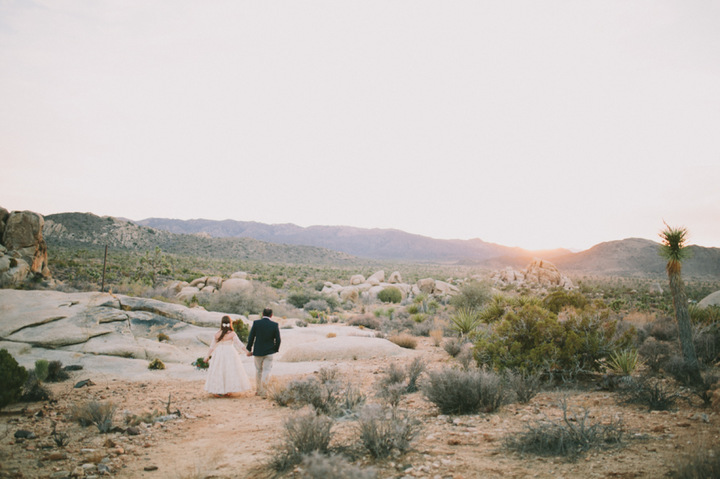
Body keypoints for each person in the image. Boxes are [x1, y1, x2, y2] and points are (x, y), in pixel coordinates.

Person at [204, 316, 252, 397]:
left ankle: (219, 391)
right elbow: (239, 344)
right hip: (230, 352)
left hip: (219, 353)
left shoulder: (217, 334)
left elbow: (212, 347)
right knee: (229, 371)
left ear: (221, 323)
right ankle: (227, 390)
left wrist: (207, 356)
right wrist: (247, 352)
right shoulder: (232, 334)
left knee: (219, 371)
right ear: (230, 323)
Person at [246, 308, 281, 396]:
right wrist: (275, 349)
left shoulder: (256, 323)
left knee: (258, 371)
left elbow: (251, 337)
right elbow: (278, 339)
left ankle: (259, 390)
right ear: (271, 315)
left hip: (258, 351)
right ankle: (265, 391)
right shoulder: (274, 325)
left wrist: (249, 349)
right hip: (269, 351)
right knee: (267, 370)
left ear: (262, 314)